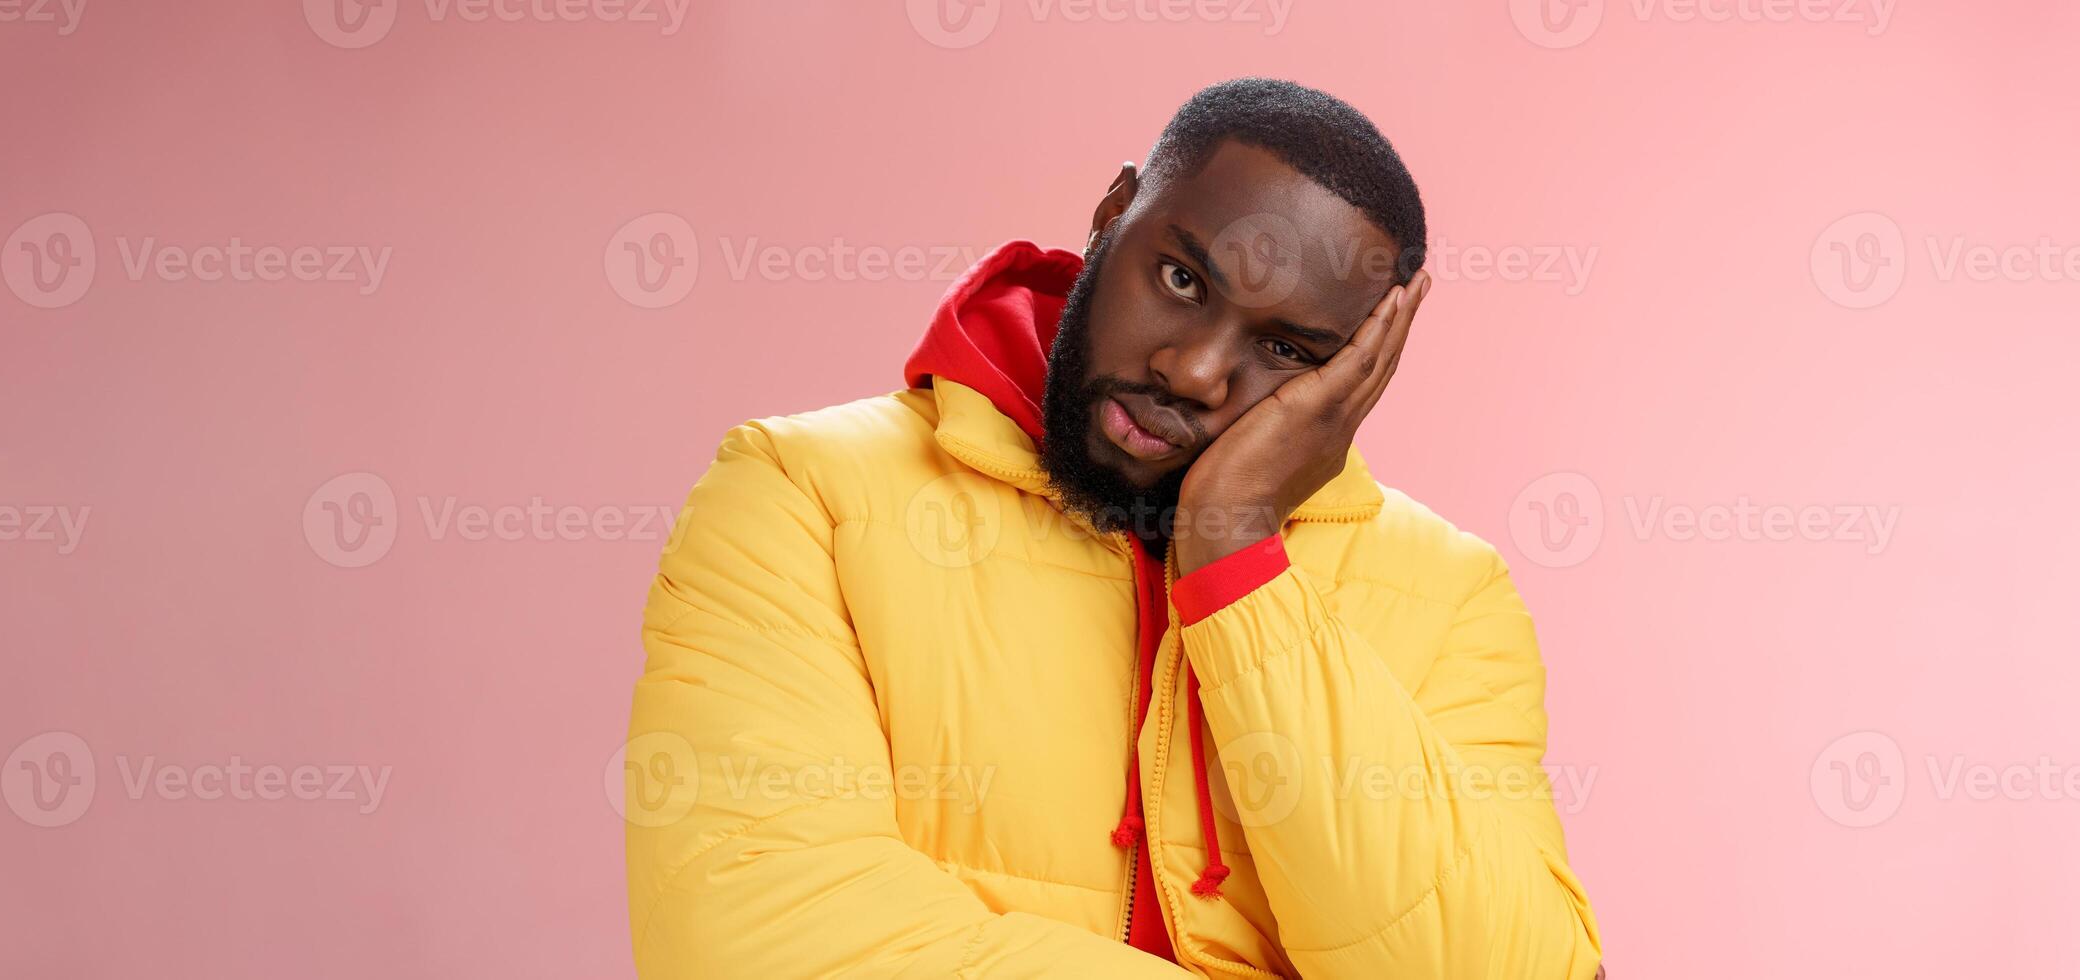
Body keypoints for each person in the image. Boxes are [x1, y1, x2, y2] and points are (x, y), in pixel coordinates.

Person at [624, 77, 1603, 978]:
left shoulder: (1449, 594)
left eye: (1281, 348)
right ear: (1107, 219)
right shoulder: (806, 494)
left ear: (1353, 375)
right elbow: (755, 928)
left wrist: (1238, 562)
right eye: (1181, 280)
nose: (1193, 371)